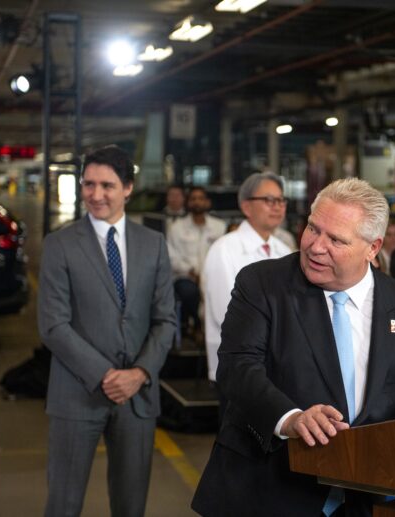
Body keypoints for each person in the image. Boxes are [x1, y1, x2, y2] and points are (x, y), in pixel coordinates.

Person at [191, 178, 395, 517]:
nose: (315, 246)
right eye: (313, 229)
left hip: (358, 491)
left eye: (336, 239)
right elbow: (238, 368)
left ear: (373, 248)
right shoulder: (262, 283)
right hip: (266, 490)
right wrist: (291, 418)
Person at [38, 145, 176, 517]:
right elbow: (53, 325)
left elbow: (166, 320)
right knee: (63, 504)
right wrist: (105, 375)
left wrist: (140, 373)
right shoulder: (59, 245)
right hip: (76, 393)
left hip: (137, 397)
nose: (95, 195)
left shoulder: (154, 245)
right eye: (88, 184)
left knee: (131, 506)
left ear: (128, 187)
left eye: (107, 185)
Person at [203, 172, 291, 385]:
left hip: (279, 366)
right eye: (269, 200)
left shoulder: (284, 250)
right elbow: (226, 314)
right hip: (238, 367)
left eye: (281, 200)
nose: (277, 206)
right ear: (246, 206)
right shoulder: (224, 249)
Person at [166, 186, 227, 335]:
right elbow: (172, 257)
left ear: (207, 202)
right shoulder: (176, 227)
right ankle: (199, 325)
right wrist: (191, 271)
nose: (197, 202)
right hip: (186, 276)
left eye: (201, 198)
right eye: (193, 199)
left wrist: (209, 274)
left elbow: (225, 253)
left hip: (214, 276)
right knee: (188, 290)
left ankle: (220, 330)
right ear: (188, 203)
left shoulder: (219, 226)